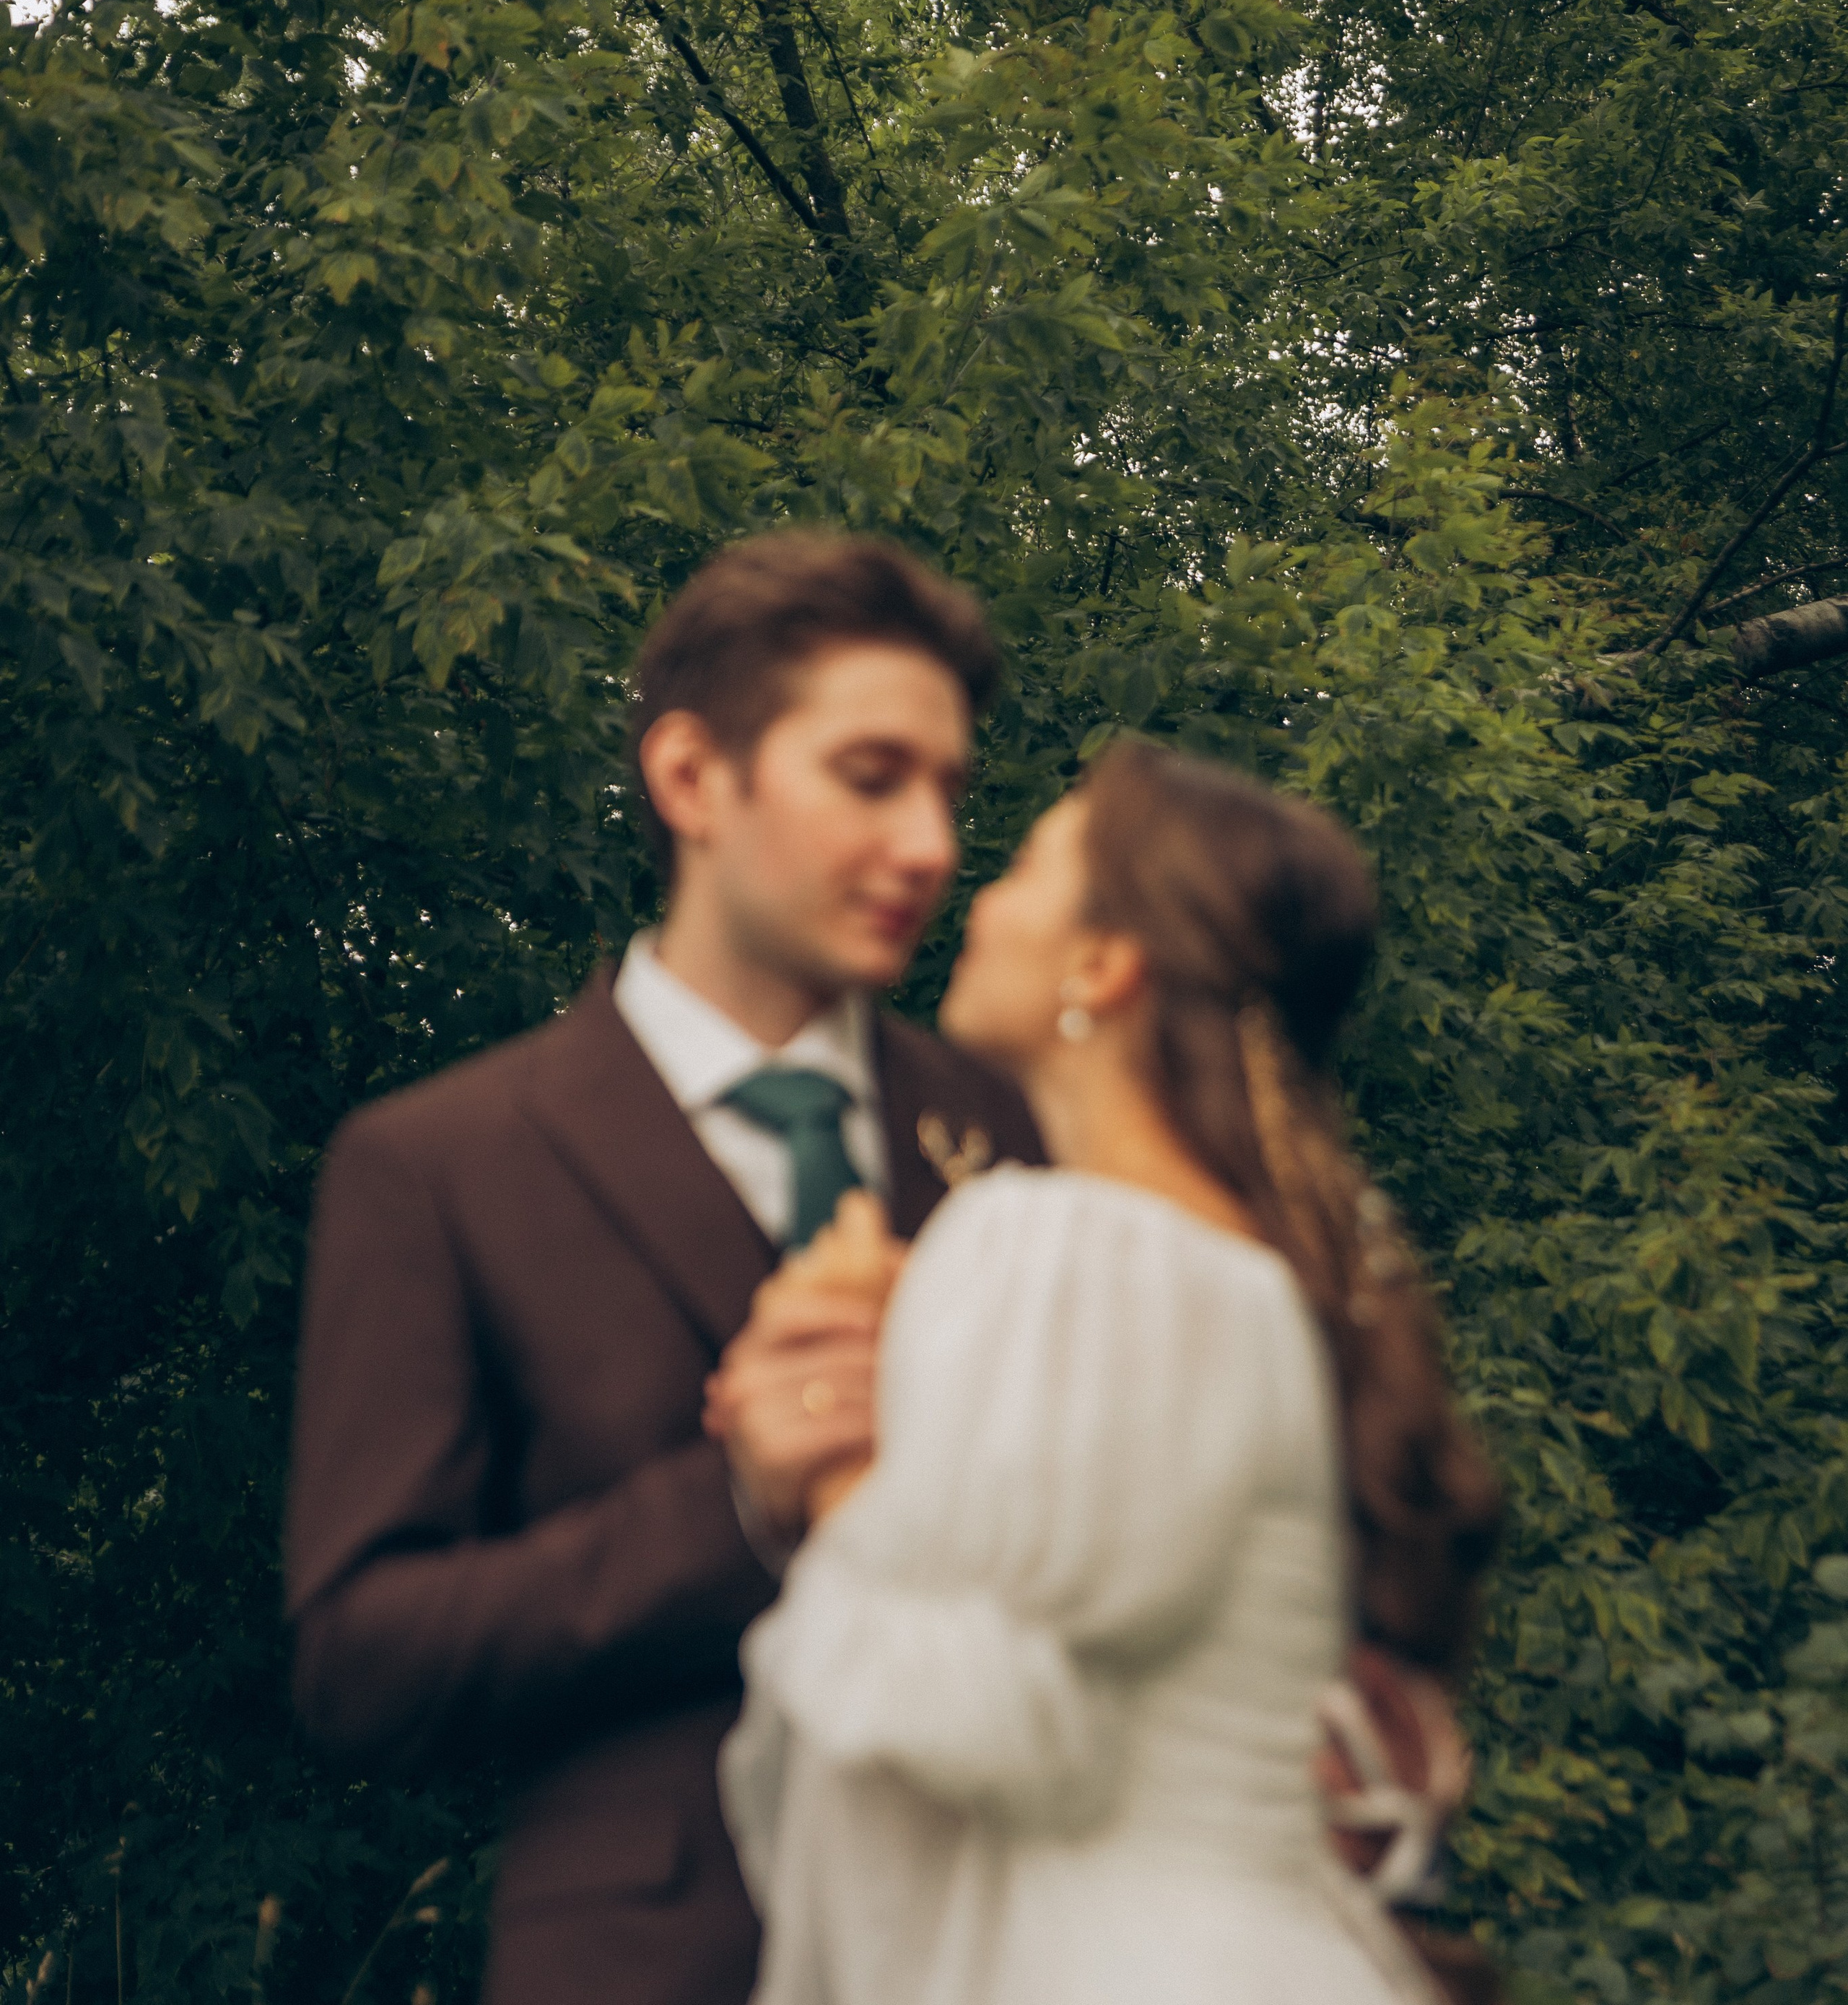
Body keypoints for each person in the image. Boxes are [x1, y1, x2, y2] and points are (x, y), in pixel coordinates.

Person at [283, 533, 1042, 2005]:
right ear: (691, 778)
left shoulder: (996, 1130)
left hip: (1011, 1935)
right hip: (661, 1954)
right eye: (872, 777)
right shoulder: (439, 1165)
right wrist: (735, 1507)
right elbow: (359, 1666)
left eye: (950, 790)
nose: (931, 846)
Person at [715, 738, 1502, 2005]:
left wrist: (822, 1458)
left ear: (1105, 963)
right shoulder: (1244, 1279)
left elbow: (975, 1711)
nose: (979, 894)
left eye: (1029, 868)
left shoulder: (1065, 1242)